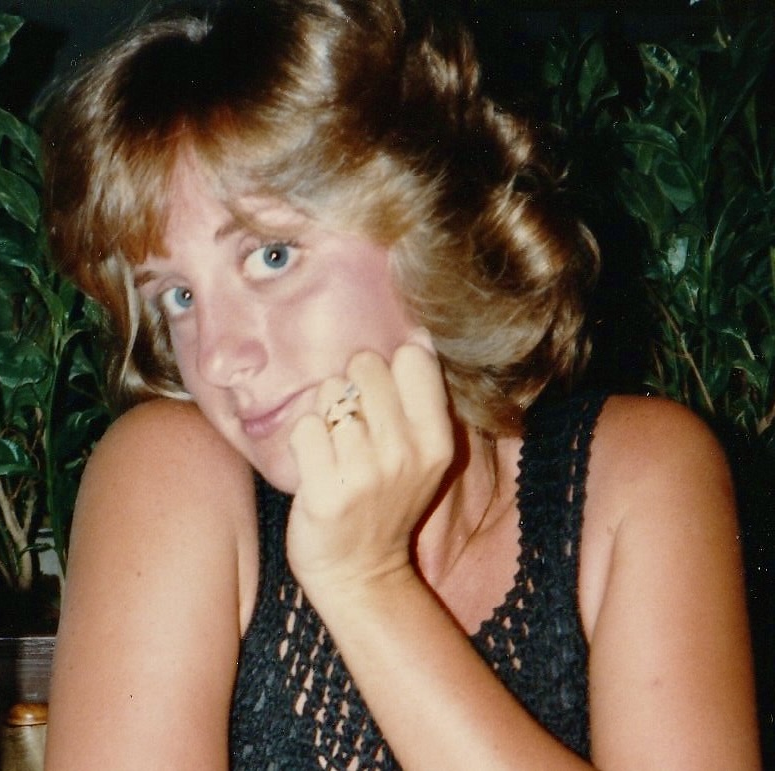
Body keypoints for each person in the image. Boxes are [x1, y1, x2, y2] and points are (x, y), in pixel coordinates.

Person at [41, 1, 760, 768]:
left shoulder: (640, 477)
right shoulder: (169, 477)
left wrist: (365, 584)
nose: (216, 358)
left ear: (427, 229)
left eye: (272, 256)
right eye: (178, 296)